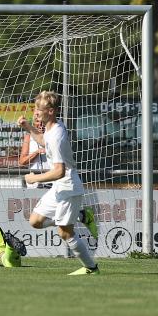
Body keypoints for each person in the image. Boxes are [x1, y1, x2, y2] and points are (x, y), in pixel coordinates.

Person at [18, 90, 99, 275]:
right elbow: (43, 142)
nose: (36, 112)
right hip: (59, 187)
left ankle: (91, 268)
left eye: (40, 109)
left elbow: (59, 171)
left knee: (65, 233)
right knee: (35, 221)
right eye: (35, 108)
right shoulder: (50, 128)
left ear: (52, 111)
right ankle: (81, 216)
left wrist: (34, 178)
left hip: (69, 187)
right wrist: (28, 126)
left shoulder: (57, 136)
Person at [18, 113, 49, 188]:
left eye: (43, 122)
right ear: (33, 123)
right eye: (38, 122)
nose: (41, 125)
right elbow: (21, 162)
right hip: (34, 183)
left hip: (52, 180)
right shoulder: (28, 137)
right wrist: (36, 152)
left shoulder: (53, 135)